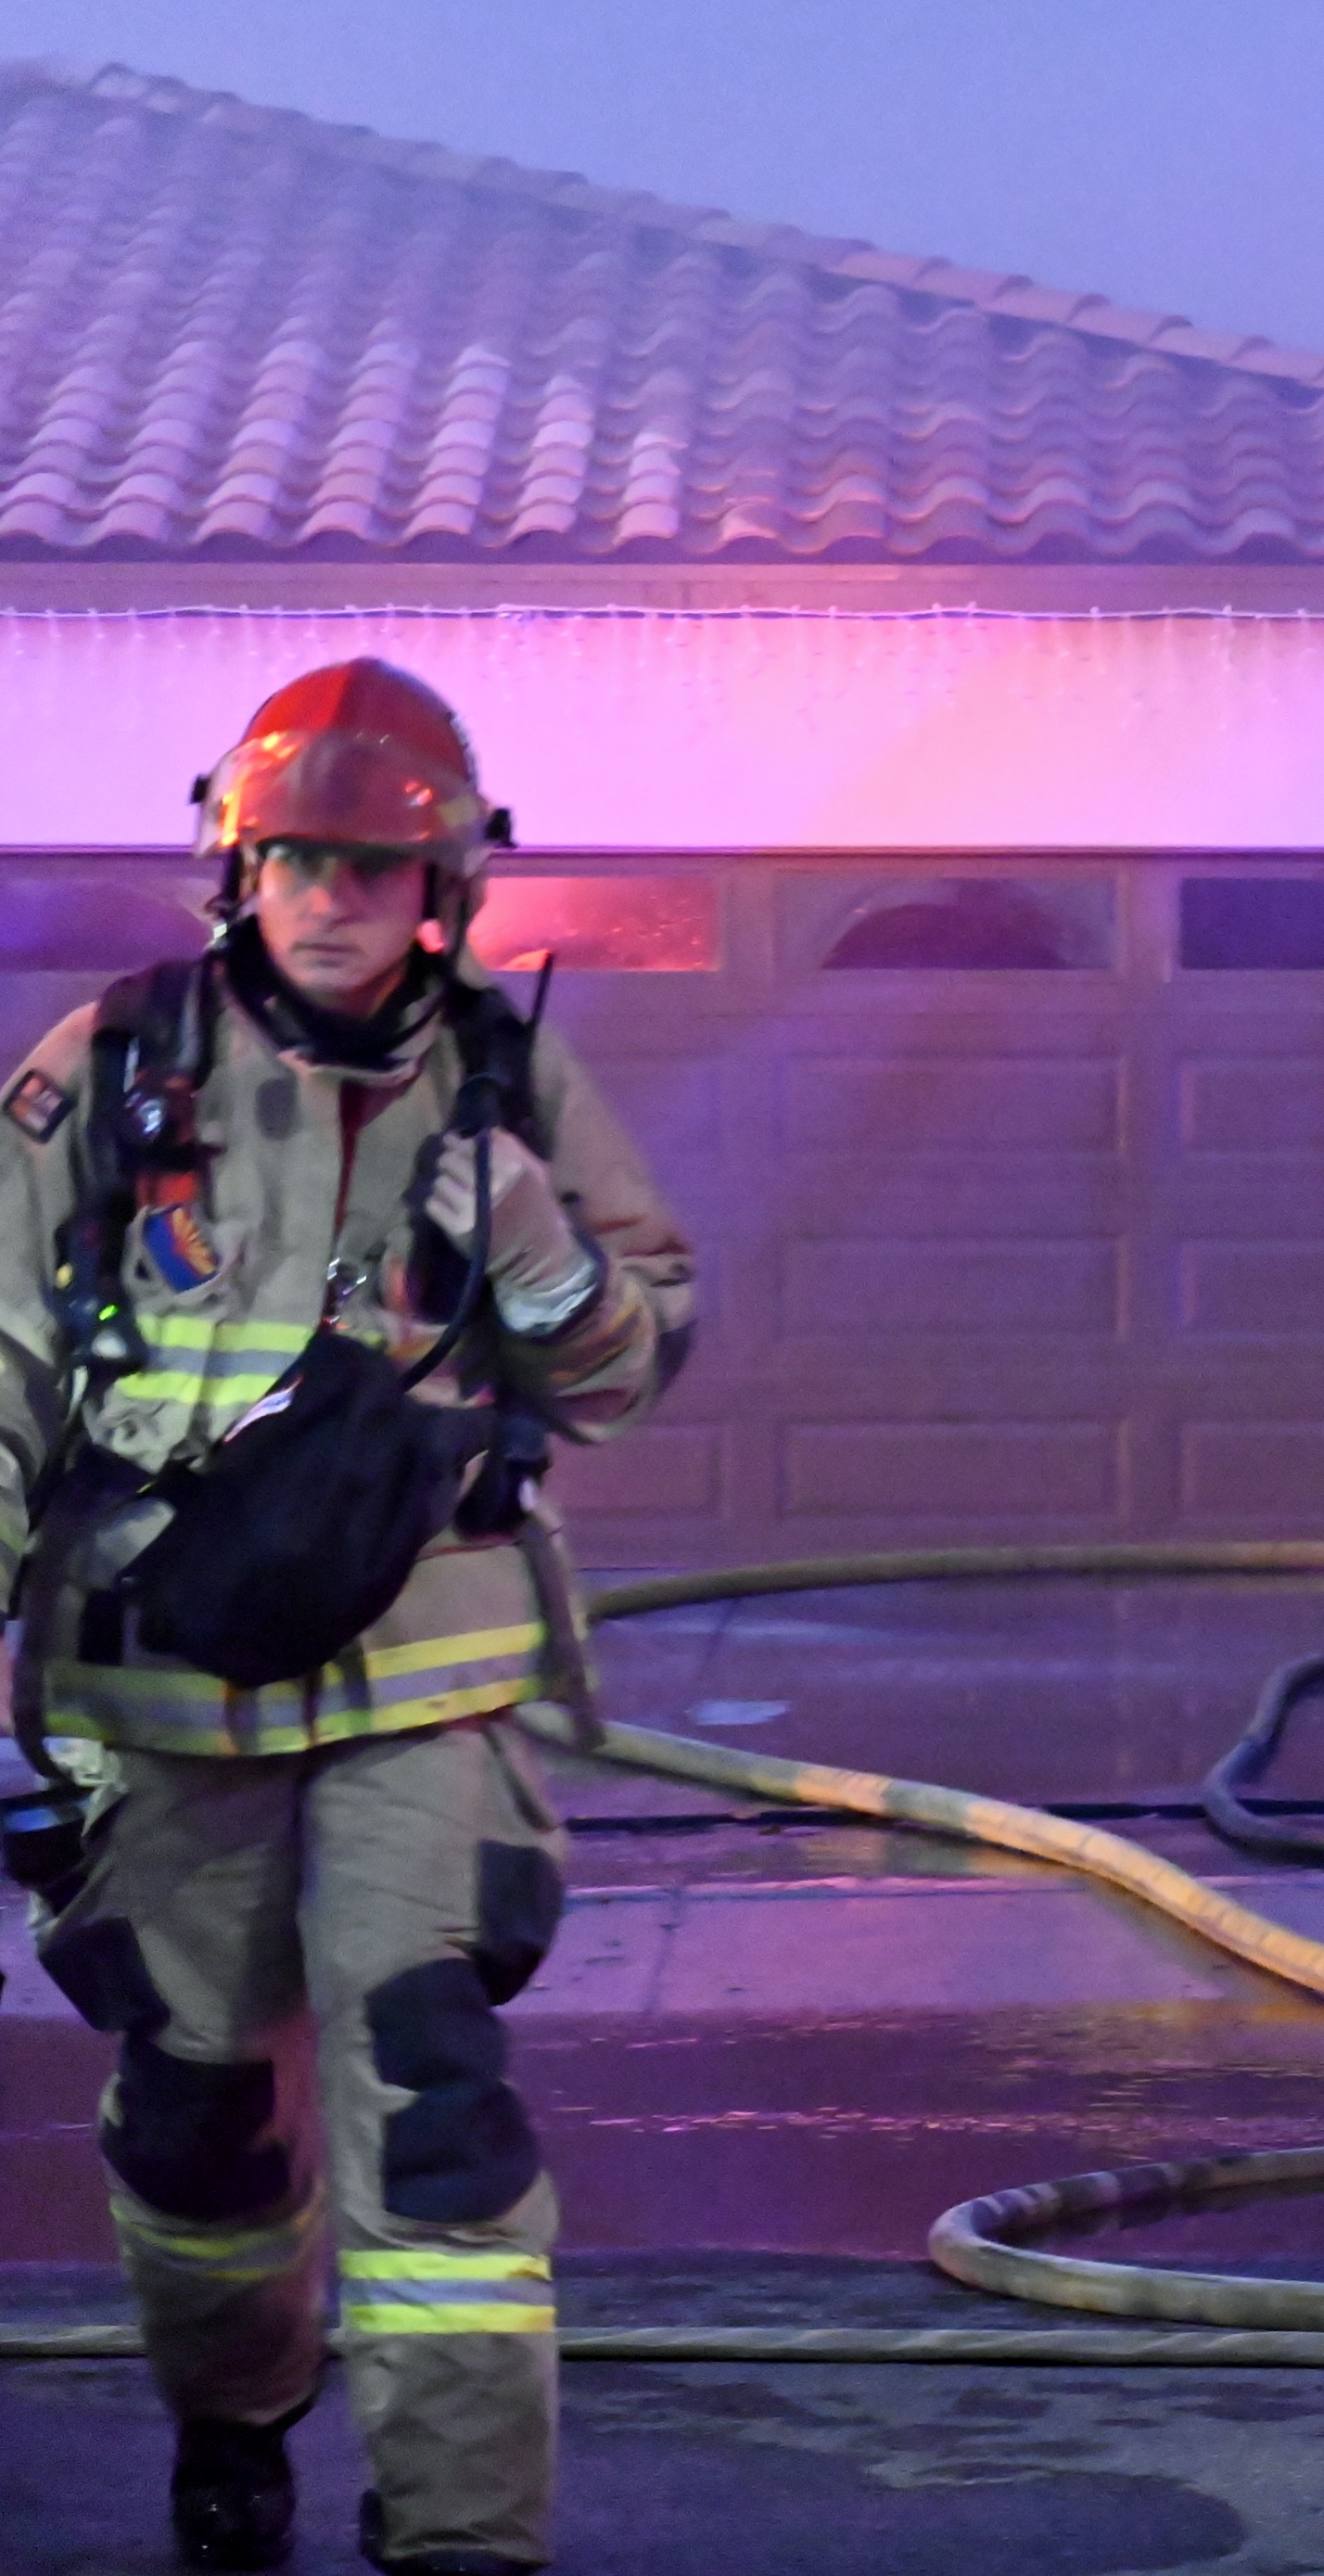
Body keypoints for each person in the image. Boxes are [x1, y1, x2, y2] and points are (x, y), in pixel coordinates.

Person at [4, 661, 696, 2570]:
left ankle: (463, 2531)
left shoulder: (510, 1081)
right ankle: (235, 2416)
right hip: (158, 1696)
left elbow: (626, 1374)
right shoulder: (108, 1067)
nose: (330, 898)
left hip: (423, 1688)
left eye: (372, 868)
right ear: (239, 870)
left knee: (436, 2112)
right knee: (196, 2124)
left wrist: (542, 1260)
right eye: (296, 860)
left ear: (442, 888)